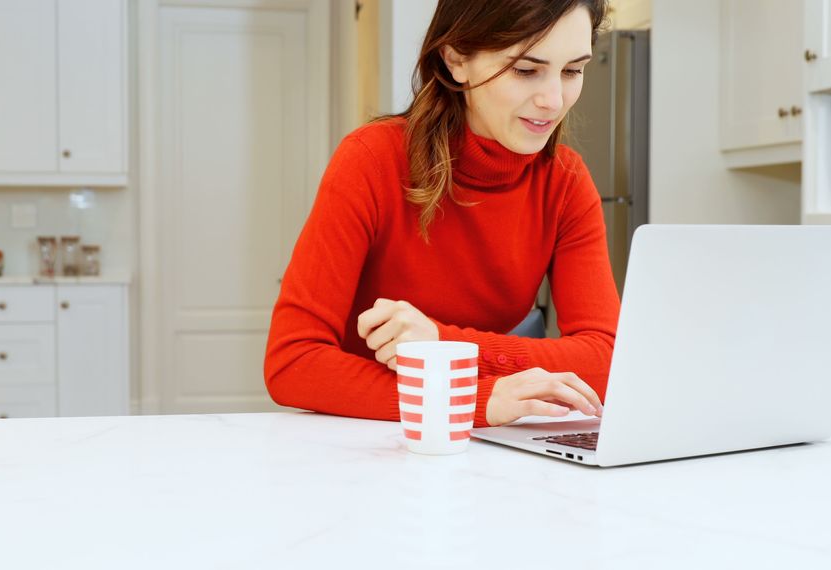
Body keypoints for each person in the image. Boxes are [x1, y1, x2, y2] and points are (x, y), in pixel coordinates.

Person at [264, 0, 618, 428]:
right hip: (362, 438)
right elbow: (293, 363)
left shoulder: (565, 182)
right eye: (526, 70)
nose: (554, 99)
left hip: (478, 444)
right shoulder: (371, 160)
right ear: (455, 60)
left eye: (572, 70)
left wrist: (439, 343)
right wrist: (469, 399)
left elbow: (608, 360)